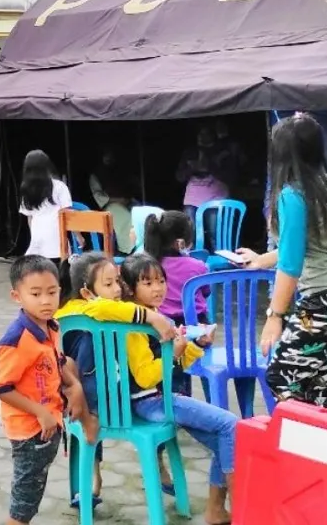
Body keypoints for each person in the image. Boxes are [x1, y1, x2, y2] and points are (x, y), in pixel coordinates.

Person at [239, 114, 327, 412]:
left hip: (325, 300)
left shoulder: (292, 195)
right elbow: (308, 244)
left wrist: (275, 315)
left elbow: (291, 265)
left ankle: (300, 435)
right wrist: (262, 260)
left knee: (280, 375)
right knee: (326, 380)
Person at [120, 253, 236, 524]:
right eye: (148, 283)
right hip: (148, 401)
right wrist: (172, 355)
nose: (157, 288)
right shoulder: (134, 326)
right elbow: (146, 377)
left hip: (160, 397)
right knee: (230, 425)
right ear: (130, 288)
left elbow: (177, 365)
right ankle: (238, 506)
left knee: (227, 438)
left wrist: (196, 345)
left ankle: (217, 511)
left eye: (161, 281)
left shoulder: (158, 319)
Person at [55, 252, 177, 509]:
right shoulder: (77, 311)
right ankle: (94, 473)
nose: (118, 290)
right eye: (108, 284)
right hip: (85, 400)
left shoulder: (110, 308)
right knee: (88, 344)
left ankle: (146, 463)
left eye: (117, 282)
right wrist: (153, 317)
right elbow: (102, 308)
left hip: (115, 395)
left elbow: (111, 308)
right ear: (86, 293)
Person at [0, 255, 88, 525]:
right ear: (17, 296)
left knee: (31, 494)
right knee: (23, 505)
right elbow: (0, 388)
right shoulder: (17, 340)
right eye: (36, 294)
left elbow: (57, 361)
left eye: (52, 292)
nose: (45, 301)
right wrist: (41, 412)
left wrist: (74, 385)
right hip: (29, 430)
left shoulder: (51, 326)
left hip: (48, 424)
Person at [143, 211, 208, 396]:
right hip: (197, 328)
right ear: (181, 243)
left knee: (175, 371)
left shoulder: (150, 266)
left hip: (161, 329)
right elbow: (206, 292)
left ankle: (176, 396)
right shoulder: (198, 266)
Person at [176, 124, 238, 251]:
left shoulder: (222, 152)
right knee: (190, 235)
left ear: (213, 135)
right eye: (200, 134)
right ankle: (192, 261)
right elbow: (179, 176)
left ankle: (220, 260)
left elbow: (231, 176)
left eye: (206, 134)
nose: (202, 137)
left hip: (216, 198)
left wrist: (210, 166)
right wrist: (192, 168)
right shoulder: (190, 152)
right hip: (192, 198)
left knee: (216, 235)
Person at [18, 150, 72, 259]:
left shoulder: (26, 189)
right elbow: (68, 215)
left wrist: (34, 237)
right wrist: (78, 236)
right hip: (57, 238)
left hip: (37, 238)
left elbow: (29, 218)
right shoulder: (60, 186)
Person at [89, 146, 137, 253]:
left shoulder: (118, 171)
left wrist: (127, 198)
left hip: (126, 201)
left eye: (110, 155)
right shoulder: (95, 175)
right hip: (109, 205)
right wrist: (119, 200)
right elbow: (99, 198)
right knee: (126, 217)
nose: (109, 158)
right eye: (106, 155)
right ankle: (127, 249)